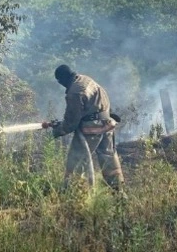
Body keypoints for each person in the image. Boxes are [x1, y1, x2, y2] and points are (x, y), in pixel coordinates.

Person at [47, 64, 125, 193]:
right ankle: (119, 191)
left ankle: (72, 193)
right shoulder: (85, 80)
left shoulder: (74, 92)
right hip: (106, 123)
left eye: (60, 82)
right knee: (108, 157)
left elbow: (71, 122)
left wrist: (57, 131)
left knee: (76, 160)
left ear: (62, 80)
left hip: (91, 128)